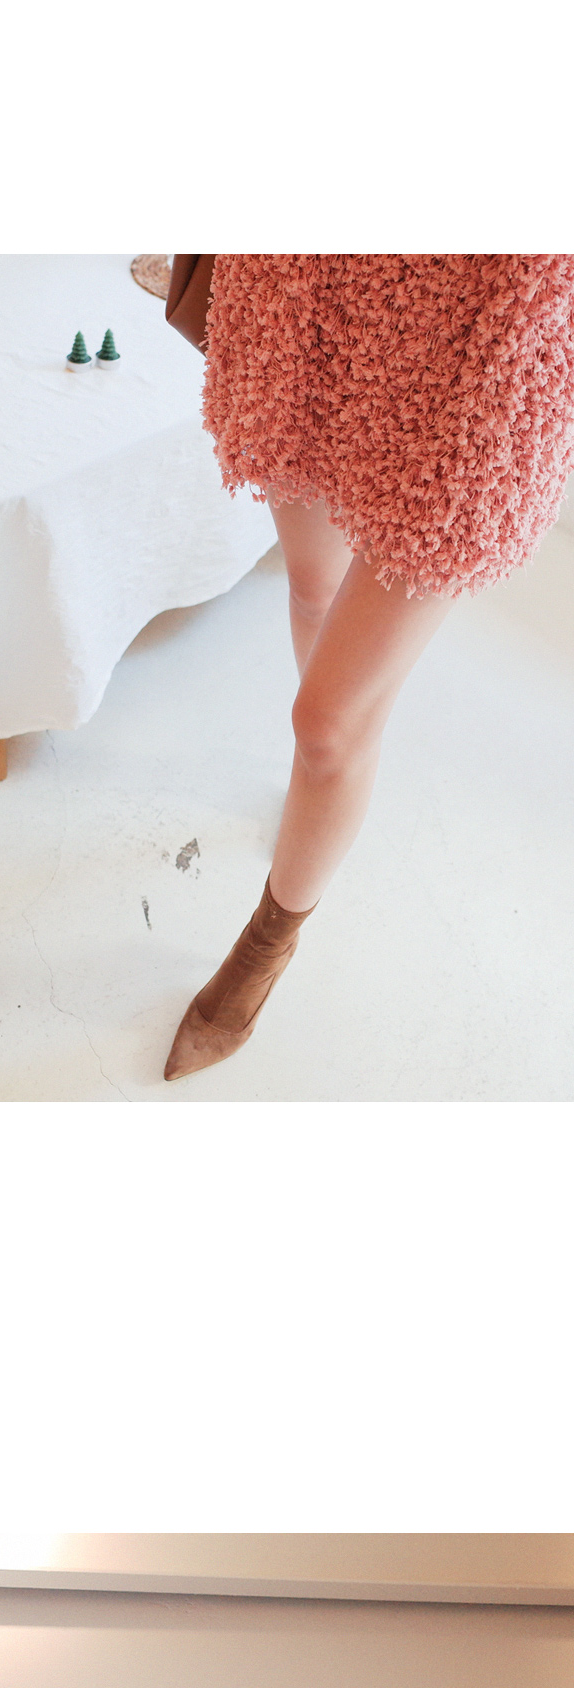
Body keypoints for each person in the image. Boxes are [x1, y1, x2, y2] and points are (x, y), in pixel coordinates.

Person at [163, 254, 573, 1076]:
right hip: (313, 289)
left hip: (479, 344)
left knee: (327, 723)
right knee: (310, 589)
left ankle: (266, 943)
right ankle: (317, 798)